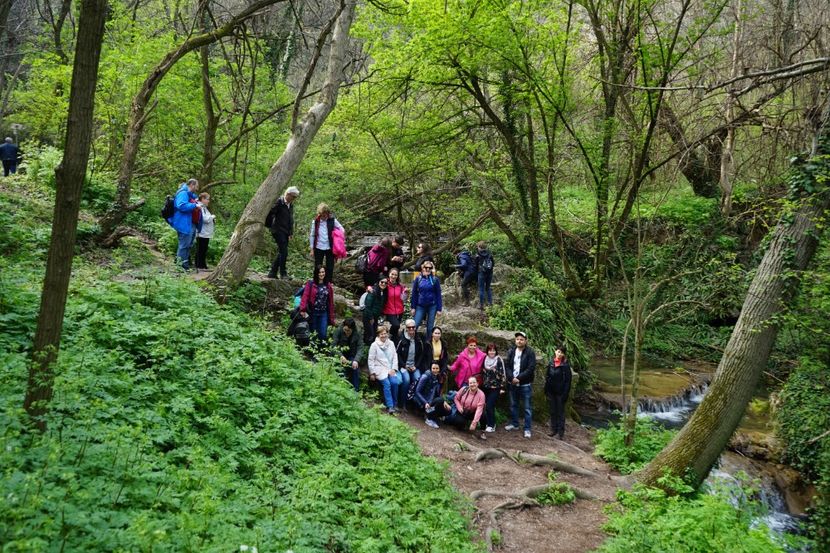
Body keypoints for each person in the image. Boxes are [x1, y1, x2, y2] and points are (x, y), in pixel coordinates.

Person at [504, 331, 537, 438]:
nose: (519, 341)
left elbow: (530, 368)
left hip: (525, 384)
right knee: (513, 405)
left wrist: (518, 378)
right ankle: (515, 424)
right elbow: (507, 366)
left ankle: (527, 429)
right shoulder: (511, 351)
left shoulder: (530, 352)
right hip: (512, 383)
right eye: (517, 339)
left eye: (521, 339)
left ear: (525, 341)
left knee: (527, 407)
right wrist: (511, 378)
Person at [266, 186, 299, 279]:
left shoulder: (290, 205)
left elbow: (290, 220)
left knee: (282, 251)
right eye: (293, 197)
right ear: (288, 194)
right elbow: (270, 213)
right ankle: (283, 273)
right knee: (284, 252)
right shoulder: (279, 202)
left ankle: (272, 272)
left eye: (295, 197)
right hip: (277, 230)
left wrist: (290, 233)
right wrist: (269, 225)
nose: (294, 199)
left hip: (285, 231)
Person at [367, 326, 401, 415]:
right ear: (378, 335)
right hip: (380, 369)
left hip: (390, 368)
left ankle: (395, 404)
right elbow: (371, 359)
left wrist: (394, 368)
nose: (383, 335)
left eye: (385, 333)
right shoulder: (374, 345)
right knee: (387, 383)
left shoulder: (391, 343)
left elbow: (395, 356)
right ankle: (390, 406)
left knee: (394, 382)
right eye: (381, 334)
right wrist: (372, 372)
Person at [167, 178, 200, 271]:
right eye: (196, 186)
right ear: (192, 185)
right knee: (184, 245)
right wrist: (194, 205)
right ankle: (179, 267)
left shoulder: (188, 194)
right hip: (182, 222)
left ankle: (184, 265)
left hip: (185, 222)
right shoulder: (183, 193)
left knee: (187, 244)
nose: (197, 189)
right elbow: (181, 206)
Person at [299, 265, 335, 345]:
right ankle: (312, 352)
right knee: (313, 333)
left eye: (323, 272)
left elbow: (331, 302)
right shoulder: (311, 283)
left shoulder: (328, 285)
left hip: (323, 313)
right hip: (313, 312)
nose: (321, 274)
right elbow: (305, 296)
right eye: (319, 272)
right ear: (316, 273)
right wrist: (302, 309)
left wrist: (332, 317)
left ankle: (320, 351)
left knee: (323, 334)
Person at [308, 203, 344, 284]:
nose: (324, 216)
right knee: (318, 265)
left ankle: (328, 282)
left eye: (326, 214)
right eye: (323, 215)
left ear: (328, 213)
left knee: (330, 266)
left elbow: (342, 229)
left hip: (330, 247)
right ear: (319, 214)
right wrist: (311, 249)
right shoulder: (315, 221)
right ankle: (316, 282)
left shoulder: (333, 220)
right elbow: (312, 235)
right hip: (318, 247)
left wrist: (337, 234)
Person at [396, 318, 424, 409]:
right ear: (406, 328)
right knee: (406, 380)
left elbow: (421, 355)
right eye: (409, 327)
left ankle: (414, 403)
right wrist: (404, 365)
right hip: (404, 365)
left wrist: (416, 366)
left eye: (413, 327)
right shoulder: (401, 339)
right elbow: (397, 354)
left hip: (414, 366)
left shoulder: (418, 339)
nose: (411, 329)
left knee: (418, 379)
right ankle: (402, 403)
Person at [545, 346, 572, 439]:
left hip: (561, 393)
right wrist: (546, 390)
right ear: (555, 351)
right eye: (558, 351)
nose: (559, 354)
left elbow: (568, 381)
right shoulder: (551, 363)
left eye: (561, 352)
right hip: (551, 391)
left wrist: (565, 394)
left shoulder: (565, 365)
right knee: (553, 411)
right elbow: (547, 376)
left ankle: (560, 433)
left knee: (560, 412)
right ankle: (553, 430)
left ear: (563, 354)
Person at [414, 363, 452, 428]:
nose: (435, 370)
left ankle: (432, 415)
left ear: (439, 369)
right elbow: (417, 392)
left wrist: (444, 402)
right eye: (433, 368)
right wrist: (425, 402)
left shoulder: (437, 377)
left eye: (437, 368)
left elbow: (437, 393)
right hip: (423, 403)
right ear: (430, 369)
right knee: (440, 400)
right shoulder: (425, 376)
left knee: (448, 410)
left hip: (431, 403)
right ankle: (429, 418)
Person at [410, 261, 442, 337]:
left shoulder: (435, 279)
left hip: (432, 306)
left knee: (430, 327)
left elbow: (438, 294)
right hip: (420, 305)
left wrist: (439, 309)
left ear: (432, 269)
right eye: (426, 267)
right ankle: (412, 342)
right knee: (415, 324)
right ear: (422, 268)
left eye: (430, 268)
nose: (427, 269)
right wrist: (413, 307)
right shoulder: (418, 278)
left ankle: (428, 344)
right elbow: (414, 293)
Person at [331, 318, 364, 392]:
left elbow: (360, 348)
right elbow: (333, 346)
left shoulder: (357, 333)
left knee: (355, 368)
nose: (346, 332)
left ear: (352, 329)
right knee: (341, 369)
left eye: (348, 331)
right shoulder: (338, 331)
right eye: (345, 330)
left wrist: (356, 360)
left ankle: (356, 390)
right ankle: (342, 390)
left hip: (352, 355)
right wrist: (341, 356)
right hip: (340, 354)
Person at [480, 343, 507, 433]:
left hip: (496, 387)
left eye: (493, 350)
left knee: (490, 405)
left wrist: (503, 387)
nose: (492, 352)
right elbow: (482, 372)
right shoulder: (485, 359)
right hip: (486, 386)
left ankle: (492, 424)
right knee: (486, 405)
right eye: (490, 350)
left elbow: (503, 374)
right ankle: (487, 423)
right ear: (487, 351)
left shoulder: (499, 360)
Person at [362, 275, 388, 345]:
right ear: (378, 282)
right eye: (382, 282)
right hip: (369, 316)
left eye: (385, 283)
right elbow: (368, 306)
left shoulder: (383, 292)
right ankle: (366, 349)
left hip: (376, 316)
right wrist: (371, 318)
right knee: (370, 334)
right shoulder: (373, 291)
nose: (383, 284)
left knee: (373, 334)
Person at [383, 268, 407, 343]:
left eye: (395, 275)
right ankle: (389, 335)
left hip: (399, 310)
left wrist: (406, 293)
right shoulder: (385, 284)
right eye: (392, 274)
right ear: (389, 274)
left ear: (397, 276)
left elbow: (403, 299)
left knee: (396, 329)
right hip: (389, 310)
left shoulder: (400, 286)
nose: (393, 276)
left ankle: (394, 343)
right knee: (396, 325)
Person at [194, 192, 216, 271]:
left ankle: (202, 265)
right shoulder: (200, 207)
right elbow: (205, 219)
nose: (208, 201)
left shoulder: (204, 207)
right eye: (207, 199)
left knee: (204, 249)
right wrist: (212, 216)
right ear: (202, 199)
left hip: (205, 233)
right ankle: (199, 265)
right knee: (201, 249)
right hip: (202, 232)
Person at [475, 241, 495, 310]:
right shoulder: (489, 254)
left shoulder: (478, 255)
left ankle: (481, 305)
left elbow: (475, 265)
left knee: (481, 289)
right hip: (490, 273)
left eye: (477, 247)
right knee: (488, 288)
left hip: (481, 273)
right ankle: (490, 303)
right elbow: (493, 264)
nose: (477, 248)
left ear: (480, 247)